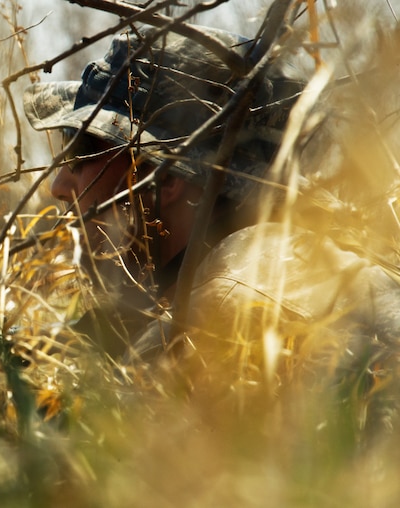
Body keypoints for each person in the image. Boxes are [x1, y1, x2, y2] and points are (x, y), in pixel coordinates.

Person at [23, 23, 400, 427]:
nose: (58, 186)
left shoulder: (234, 303)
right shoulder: (288, 261)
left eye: (82, 152)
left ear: (165, 176)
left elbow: (96, 447)